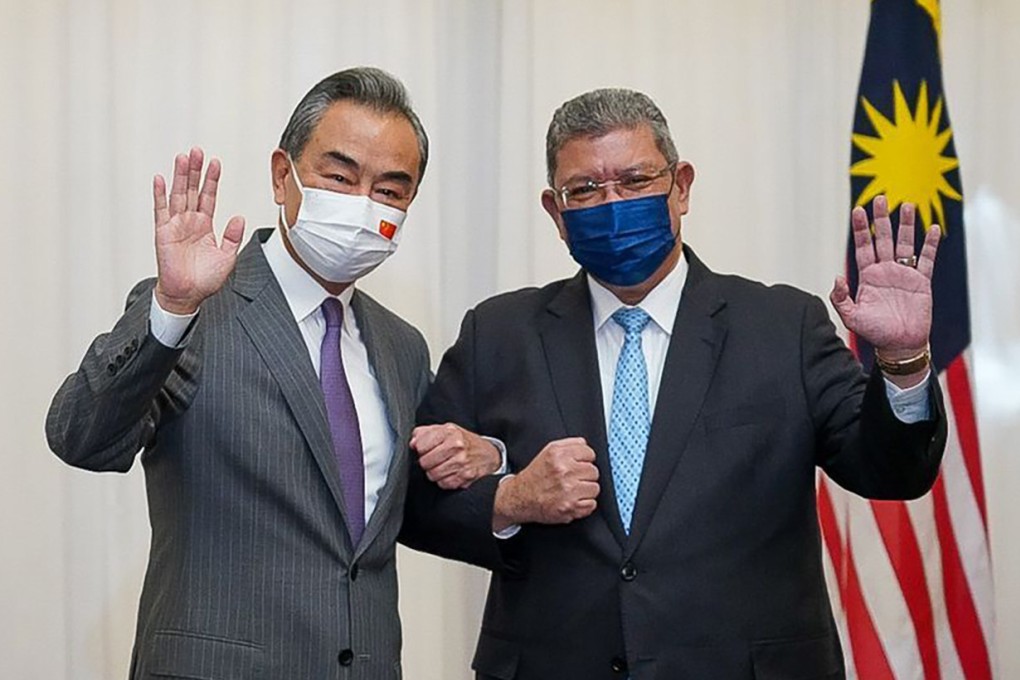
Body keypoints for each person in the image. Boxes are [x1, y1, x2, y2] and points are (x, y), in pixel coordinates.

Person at [402, 88, 947, 680]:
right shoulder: (499, 334)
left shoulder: (783, 326)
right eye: (585, 190)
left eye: (636, 181)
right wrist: (511, 498)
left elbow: (893, 472)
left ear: (681, 187)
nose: (612, 204)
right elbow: (415, 506)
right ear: (556, 212)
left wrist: (902, 360)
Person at [46, 67, 500, 680]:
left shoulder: (402, 346)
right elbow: (81, 438)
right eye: (339, 177)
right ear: (283, 176)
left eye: (390, 190)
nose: (363, 204)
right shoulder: (199, 311)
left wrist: (494, 465)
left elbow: (410, 514)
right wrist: (171, 308)